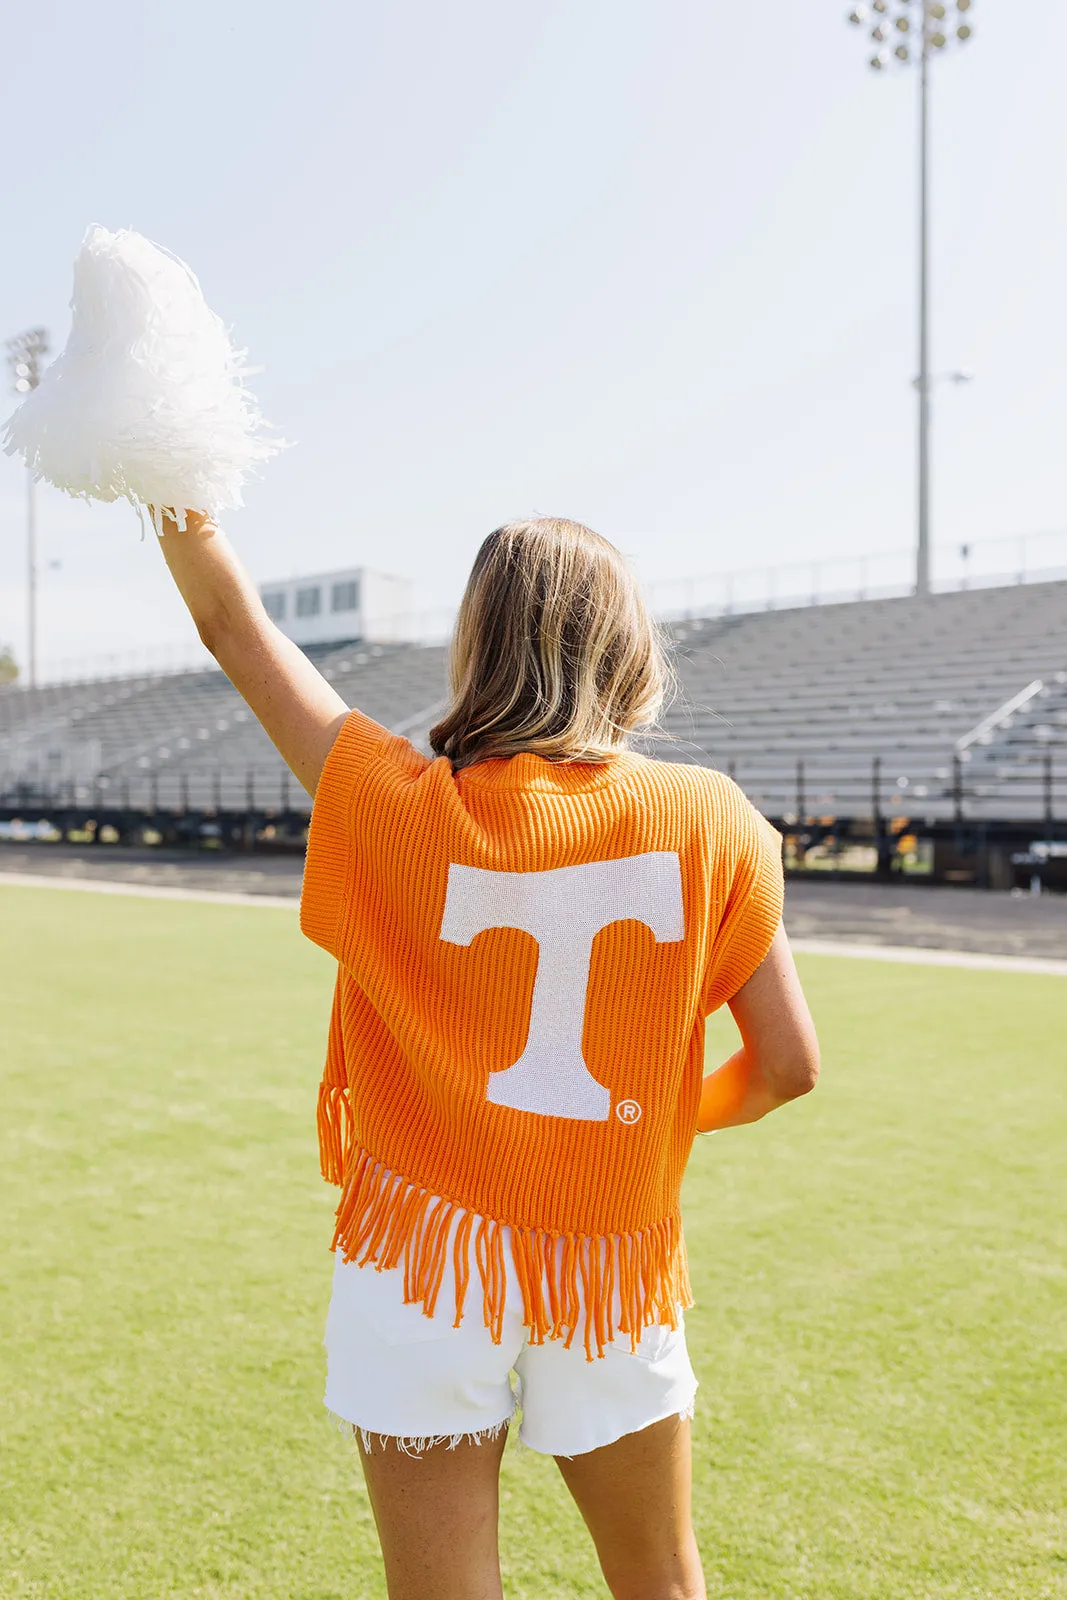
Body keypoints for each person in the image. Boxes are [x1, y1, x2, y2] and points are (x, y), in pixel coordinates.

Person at [157, 511, 819, 1600]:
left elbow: (231, 625)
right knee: (658, 1580)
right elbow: (787, 1066)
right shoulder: (713, 818)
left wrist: (165, 468)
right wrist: (657, 1114)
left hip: (418, 1259)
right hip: (609, 1272)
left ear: (476, 643)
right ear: (629, 649)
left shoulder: (388, 796)